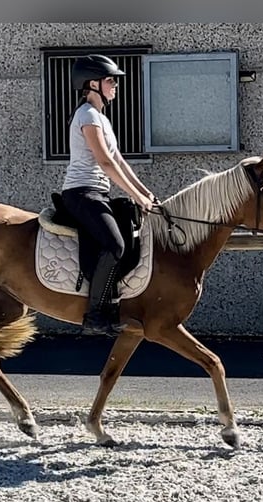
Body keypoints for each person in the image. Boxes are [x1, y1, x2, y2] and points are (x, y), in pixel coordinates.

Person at [61, 54, 157, 336]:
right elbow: (105, 162)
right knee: (114, 245)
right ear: (93, 84)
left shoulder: (101, 118)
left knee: (128, 232)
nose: (115, 85)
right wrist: (137, 196)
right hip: (81, 193)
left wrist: (143, 191)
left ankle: (115, 301)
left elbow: (119, 161)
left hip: (98, 193)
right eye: (110, 80)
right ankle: (94, 314)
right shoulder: (87, 116)